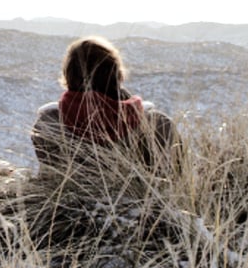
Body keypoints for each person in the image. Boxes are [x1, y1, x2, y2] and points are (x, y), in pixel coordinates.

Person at [31, 36, 181, 181]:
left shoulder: (49, 123)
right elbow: (175, 180)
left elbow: (48, 179)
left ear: (68, 75)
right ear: (118, 75)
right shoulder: (157, 125)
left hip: (66, 205)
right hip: (144, 206)